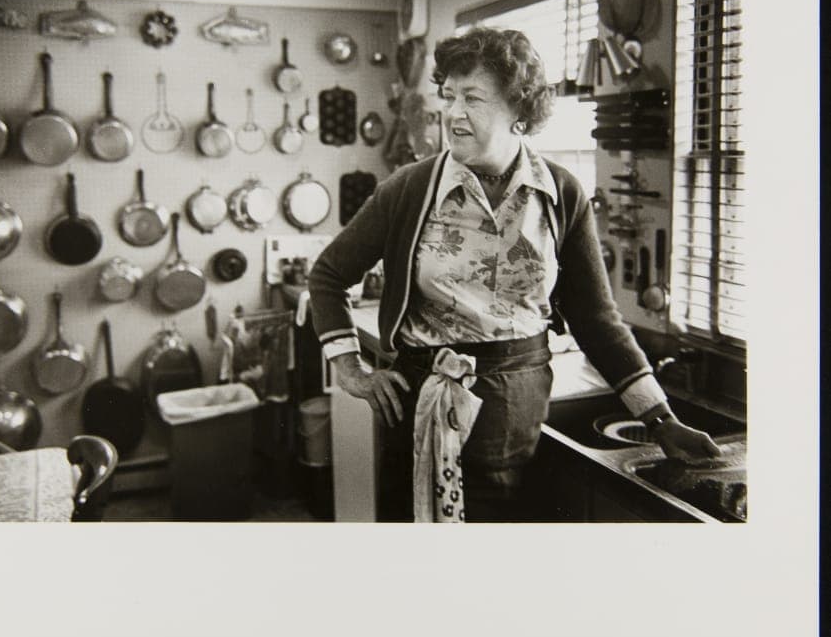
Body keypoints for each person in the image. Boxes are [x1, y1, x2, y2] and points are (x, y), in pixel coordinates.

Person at [307, 26, 722, 522]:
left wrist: (660, 419)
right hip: (421, 407)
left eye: (473, 98)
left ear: (519, 110)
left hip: (516, 415)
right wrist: (351, 370)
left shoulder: (561, 194)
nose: (453, 113)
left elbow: (595, 318)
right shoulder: (409, 189)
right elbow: (328, 275)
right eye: (449, 96)